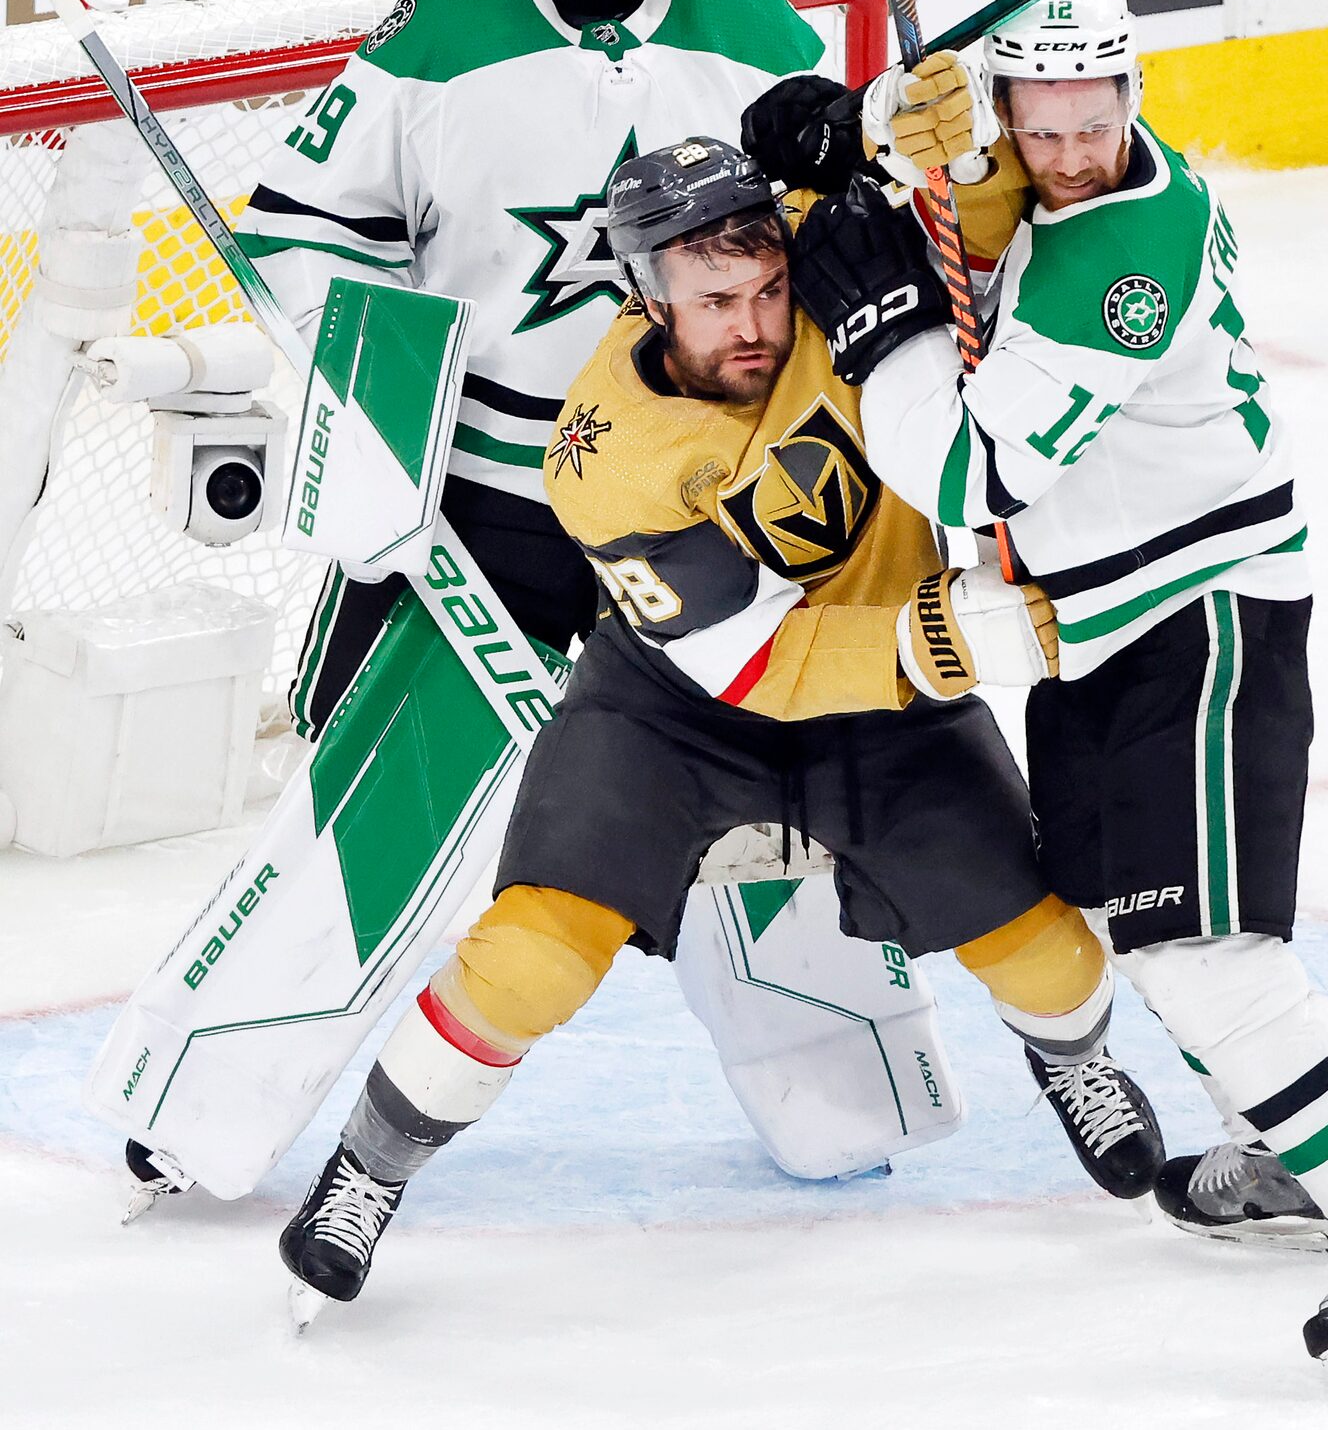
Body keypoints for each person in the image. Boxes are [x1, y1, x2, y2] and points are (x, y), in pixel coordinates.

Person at [120, 0, 829, 1213]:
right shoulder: (440, 25)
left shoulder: (752, 13)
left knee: (774, 792)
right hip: (497, 500)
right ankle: (198, 1101)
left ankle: (841, 1077)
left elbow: (826, 227)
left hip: (702, 503)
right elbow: (308, 235)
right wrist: (369, 413)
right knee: (375, 803)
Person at [276, 135, 1165, 1313]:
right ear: (645, 296)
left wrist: (904, 120)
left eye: (765, 292)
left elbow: (993, 207)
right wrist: (937, 640)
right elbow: (757, 662)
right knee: (534, 949)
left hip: (886, 699)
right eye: (713, 304)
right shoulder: (604, 461)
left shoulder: (826, 259)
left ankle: (1077, 1065)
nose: (752, 325)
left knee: (1046, 956)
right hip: (675, 703)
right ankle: (366, 1174)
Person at [786, 0, 1328, 1398]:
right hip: (1101, 621)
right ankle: (1309, 1159)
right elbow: (947, 175)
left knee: (1201, 946)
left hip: (1202, 614)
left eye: (1085, 125)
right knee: (1126, 918)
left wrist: (888, 343)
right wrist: (878, 126)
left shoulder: (1132, 248)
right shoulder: (1041, 186)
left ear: (1129, 97)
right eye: (1033, 133)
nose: (1062, 155)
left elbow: (979, 478)